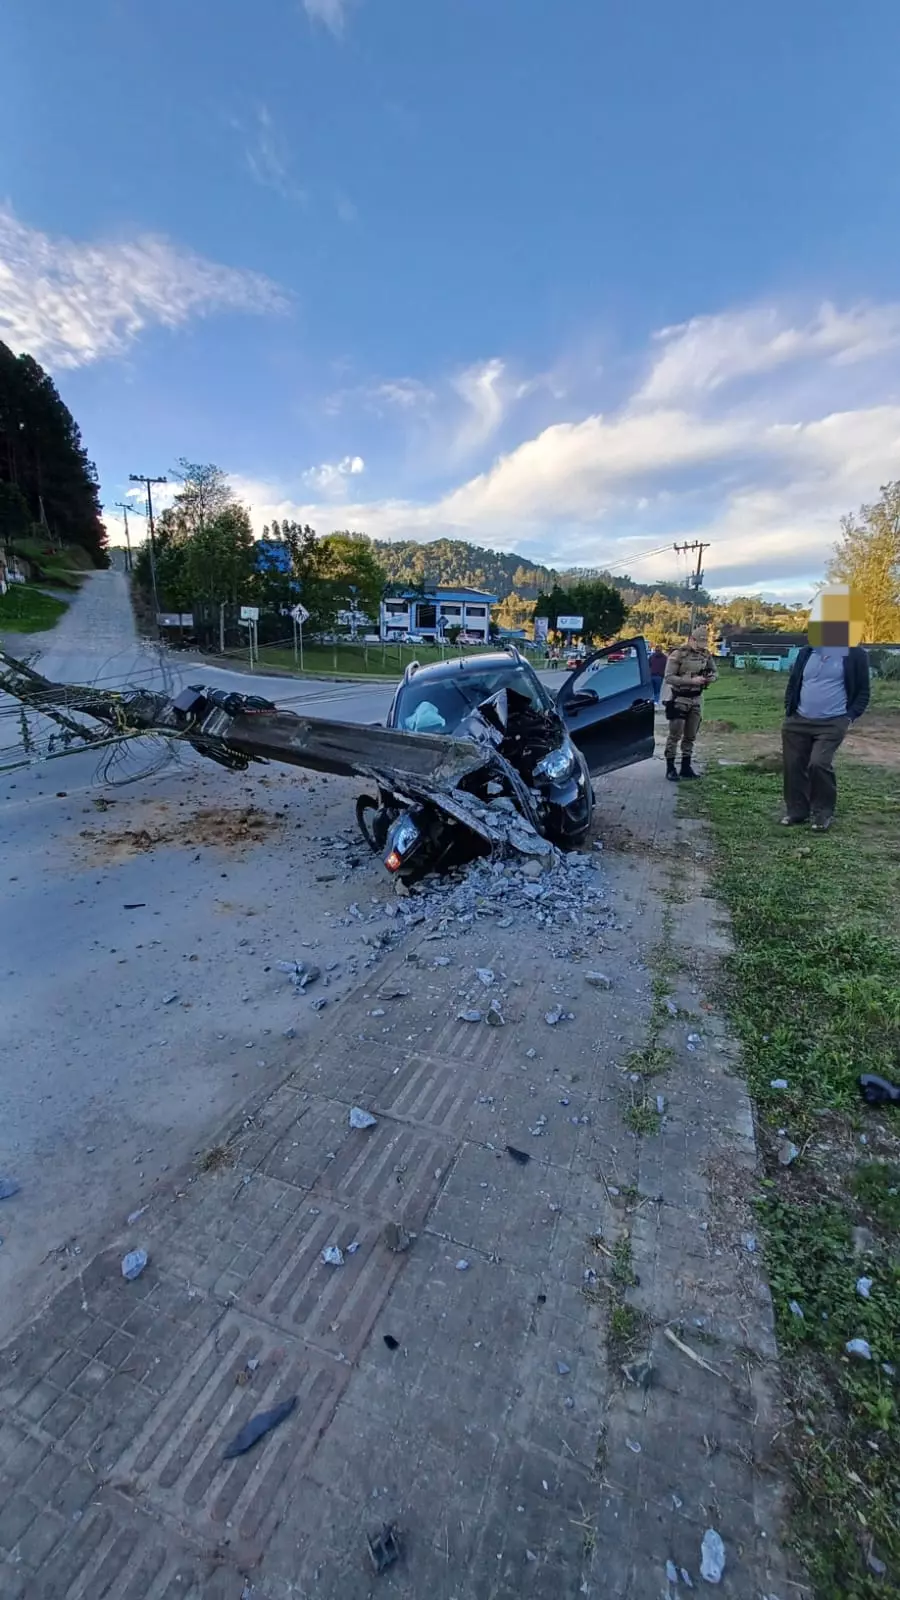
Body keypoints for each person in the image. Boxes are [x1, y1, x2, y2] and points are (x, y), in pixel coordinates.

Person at [781, 587, 870, 832]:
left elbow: (863, 691)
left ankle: (822, 813)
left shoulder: (854, 654)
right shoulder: (807, 652)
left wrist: (849, 717)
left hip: (832, 721)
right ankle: (797, 811)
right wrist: (789, 710)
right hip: (798, 719)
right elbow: (794, 682)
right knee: (793, 765)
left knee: (818, 763)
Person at [662, 628, 717, 780]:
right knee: (675, 735)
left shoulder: (705, 654)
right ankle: (670, 768)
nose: (701, 646)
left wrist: (710, 678)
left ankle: (686, 767)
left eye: (704, 642)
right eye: (699, 642)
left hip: (696, 699)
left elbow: (715, 672)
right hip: (679, 698)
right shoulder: (678, 654)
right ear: (691, 639)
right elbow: (669, 677)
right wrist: (690, 681)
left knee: (690, 735)